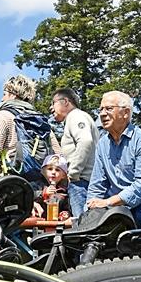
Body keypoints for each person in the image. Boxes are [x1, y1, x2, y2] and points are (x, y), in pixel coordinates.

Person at [86, 91, 141, 229]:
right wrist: (89, 212)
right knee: (94, 242)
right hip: (119, 206)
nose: (102, 114)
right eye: (101, 109)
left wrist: (108, 202)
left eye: (108, 109)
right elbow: (97, 185)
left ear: (126, 113)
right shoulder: (102, 144)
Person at [0, 74, 60, 180]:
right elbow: (58, 154)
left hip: (8, 181)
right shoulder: (40, 122)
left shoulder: (4, 115)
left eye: (4, 94)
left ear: (13, 95)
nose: (2, 98)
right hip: (38, 182)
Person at [50, 87, 96, 218]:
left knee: (82, 226)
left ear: (65, 101)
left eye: (53, 103)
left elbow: (86, 141)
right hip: (83, 181)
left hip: (82, 182)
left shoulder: (76, 116)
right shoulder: (76, 118)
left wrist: (73, 173)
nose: (51, 108)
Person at [32, 153, 72, 221]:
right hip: (37, 221)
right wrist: (43, 193)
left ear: (63, 175)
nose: (53, 172)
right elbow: (29, 195)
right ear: (43, 171)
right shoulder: (37, 185)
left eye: (57, 170)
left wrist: (65, 213)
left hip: (54, 222)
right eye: (50, 169)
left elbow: (66, 207)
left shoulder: (63, 191)